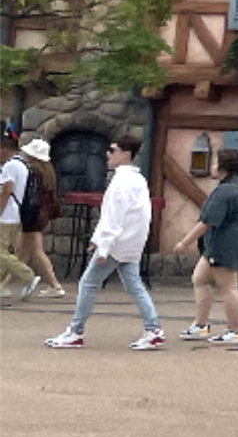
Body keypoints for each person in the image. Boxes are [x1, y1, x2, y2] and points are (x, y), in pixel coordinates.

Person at [44, 133, 164, 349]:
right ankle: (153, 328)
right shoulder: (138, 179)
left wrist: (103, 247)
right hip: (131, 243)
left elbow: (113, 218)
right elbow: (134, 216)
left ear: (125, 154)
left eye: (113, 150)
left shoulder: (120, 182)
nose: (108, 154)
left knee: (88, 283)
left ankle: (76, 331)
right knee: (134, 285)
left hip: (117, 244)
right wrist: (99, 240)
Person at [174, 145, 238, 343]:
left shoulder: (225, 192)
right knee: (199, 279)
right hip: (226, 243)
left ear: (223, 167)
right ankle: (200, 325)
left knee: (229, 287)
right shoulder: (236, 187)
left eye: (215, 163)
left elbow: (206, 222)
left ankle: (234, 331)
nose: (212, 166)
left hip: (225, 244)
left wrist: (185, 243)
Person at [14, 138, 65, 298]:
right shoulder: (47, 171)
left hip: (32, 214)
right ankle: (7, 285)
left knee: (34, 252)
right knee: (24, 252)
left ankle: (53, 285)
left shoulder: (33, 172)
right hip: (40, 215)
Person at [0, 128, 38, 297]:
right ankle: (3, 286)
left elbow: (7, 190)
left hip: (6, 215)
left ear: (4, 150)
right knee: (6, 253)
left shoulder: (9, 166)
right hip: (15, 214)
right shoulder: (23, 165)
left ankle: (27, 275)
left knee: (1, 253)